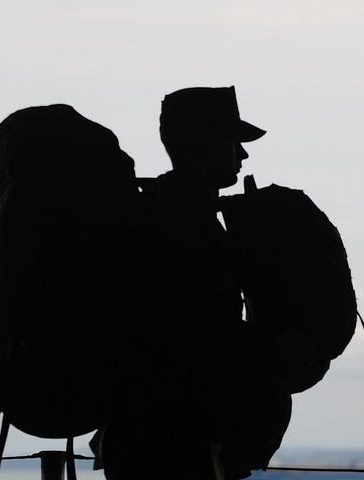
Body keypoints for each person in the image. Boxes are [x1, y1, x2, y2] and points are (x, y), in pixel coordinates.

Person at [94, 87, 287, 480]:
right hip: (174, 441)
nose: (243, 154)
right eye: (234, 142)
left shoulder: (165, 210)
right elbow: (200, 336)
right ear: (206, 143)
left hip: (146, 435)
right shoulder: (181, 223)